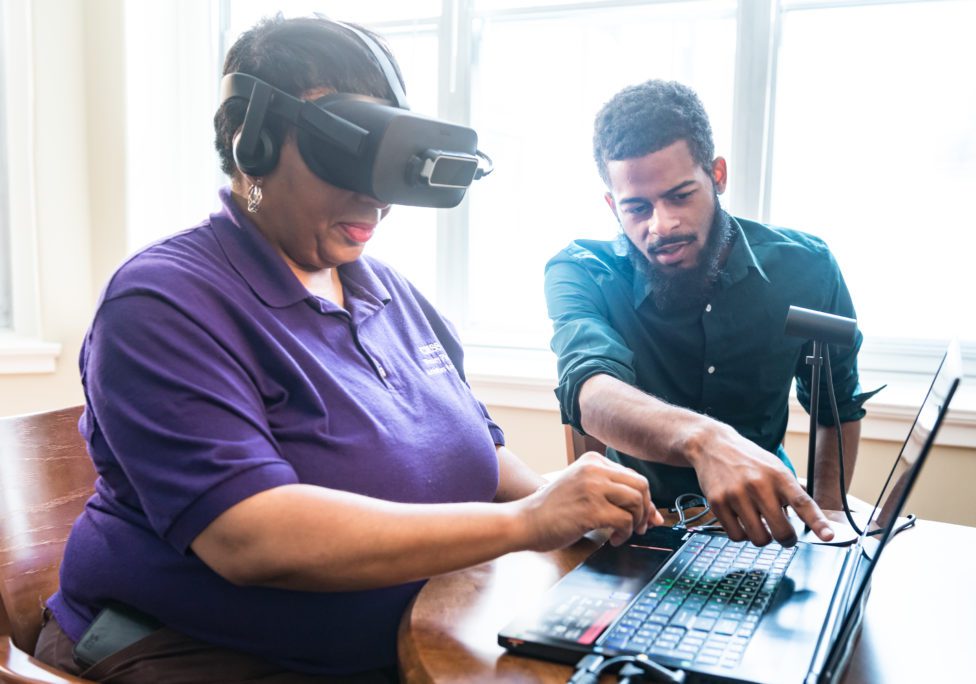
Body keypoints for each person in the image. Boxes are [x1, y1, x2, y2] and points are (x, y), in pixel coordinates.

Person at [35, 16, 661, 683]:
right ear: (255, 145)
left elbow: (481, 449)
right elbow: (251, 537)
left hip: (404, 645)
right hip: (192, 651)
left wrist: (574, 507)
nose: (375, 197)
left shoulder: (387, 290)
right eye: (345, 157)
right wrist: (530, 521)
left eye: (387, 162)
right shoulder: (163, 302)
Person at [545, 80, 880, 549]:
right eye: (637, 208)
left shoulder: (807, 269)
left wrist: (827, 516)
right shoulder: (583, 271)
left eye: (680, 196)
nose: (661, 226)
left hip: (767, 526)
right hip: (640, 527)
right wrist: (705, 441)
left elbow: (837, 405)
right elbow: (590, 392)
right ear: (611, 204)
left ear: (717, 175)